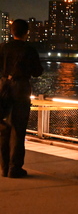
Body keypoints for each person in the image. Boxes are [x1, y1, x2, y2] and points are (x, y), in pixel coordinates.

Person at [0, 19, 43, 178]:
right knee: (18, 129)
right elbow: (37, 71)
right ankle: (15, 168)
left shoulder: (3, 47)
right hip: (21, 88)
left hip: (3, 86)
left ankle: (4, 167)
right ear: (26, 32)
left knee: (3, 128)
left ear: (12, 31)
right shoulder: (29, 50)